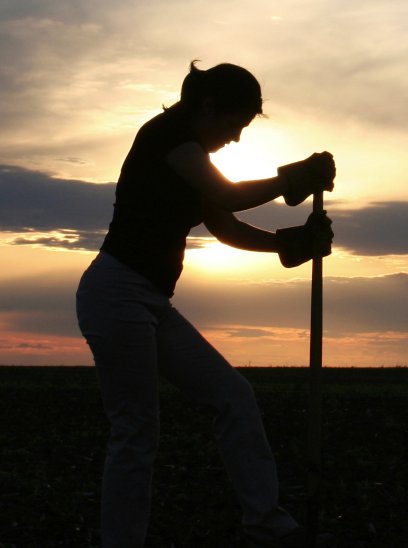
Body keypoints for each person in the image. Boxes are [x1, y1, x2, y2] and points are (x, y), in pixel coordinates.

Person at [75, 61, 336, 548]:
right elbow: (226, 196)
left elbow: (224, 226)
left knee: (233, 396)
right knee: (136, 431)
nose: (236, 138)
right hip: (116, 294)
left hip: (150, 301)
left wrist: (288, 243)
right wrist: (292, 178)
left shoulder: (191, 152)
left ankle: (267, 526)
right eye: (235, 124)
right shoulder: (166, 135)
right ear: (209, 106)